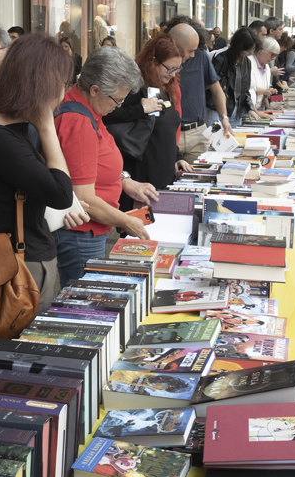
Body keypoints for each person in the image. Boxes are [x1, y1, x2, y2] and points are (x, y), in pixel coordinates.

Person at [0, 34, 77, 312]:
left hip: (18, 259)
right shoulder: (0, 139)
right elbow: (62, 194)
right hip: (20, 266)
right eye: (63, 84)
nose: (64, 93)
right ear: (44, 85)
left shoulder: (10, 129)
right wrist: (47, 125)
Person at [54, 47, 159, 286]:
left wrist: (123, 180)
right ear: (94, 89)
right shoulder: (78, 121)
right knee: (83, 301)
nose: (120, 106)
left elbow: (94, 164)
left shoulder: (89, 108)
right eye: (118, 100)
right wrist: (125, 221)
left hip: (89, 229)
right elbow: (84, 199)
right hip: (82, 232)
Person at [102, 34, 190, 195]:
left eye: (176, 69)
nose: (172, 74)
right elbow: (108, 114)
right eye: (169, 68)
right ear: (153, 61)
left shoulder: (166, 88)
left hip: (164, 173)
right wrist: (140, 109)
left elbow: (167, 129)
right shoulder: (134, 87)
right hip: (142, 173)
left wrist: (177, 156)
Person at [166, 17, 232, 157]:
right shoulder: (160, 61)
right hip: (170, 132)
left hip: (197, 132)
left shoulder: (200, 55)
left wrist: (224, 117)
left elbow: (216, 88)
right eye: (190, 50)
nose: (193, 54)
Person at [212, 28, 257, 125]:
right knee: (216, 139)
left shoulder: (247, 62)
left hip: (236, 110)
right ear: (240, 47)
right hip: (217, 109)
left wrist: (250, 108)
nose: (252, 52)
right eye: (250, 49)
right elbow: (212, 86)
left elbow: (245, 89)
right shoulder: (221, 59)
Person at [249, 37, 280, 111]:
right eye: (272, 55)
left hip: (258, 109)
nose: (274, 58)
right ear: (261, 51)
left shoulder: (266, 67)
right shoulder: (248, 62)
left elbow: (264, 95)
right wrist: (265, 91)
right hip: (247, 109)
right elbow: (245, 88)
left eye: (276, 55)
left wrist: (268, 106)